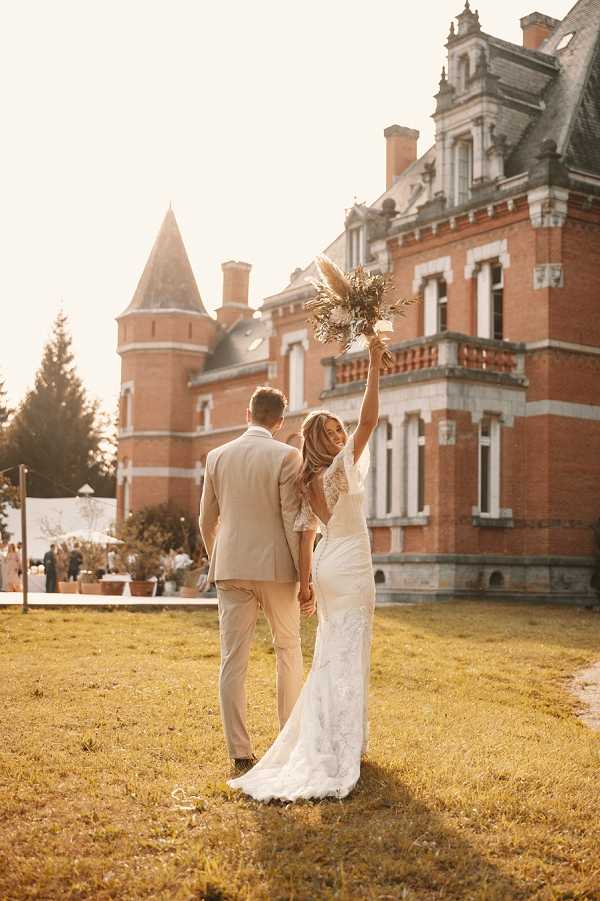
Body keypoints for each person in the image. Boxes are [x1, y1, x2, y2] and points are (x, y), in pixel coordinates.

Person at [228, 336, 386, 802]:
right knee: (349, 650)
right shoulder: (339, 467)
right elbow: (372, 418)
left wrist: (306, 584)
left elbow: (306, 534)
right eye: (335, 432)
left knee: (334, 651)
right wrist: (374, 365)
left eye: (343, 431)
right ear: (324, 441)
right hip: (351, 562)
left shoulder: (309, 478)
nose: (343, 437)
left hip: (328, 562)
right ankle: (342, 746)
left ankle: (341, 737)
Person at [199, 385, 310, 770]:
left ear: (248, 414)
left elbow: (205, 521)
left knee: (233, 659)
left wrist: (220, 559)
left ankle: (239, 750)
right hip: (277, 569)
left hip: (230, 568)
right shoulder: (287, 456)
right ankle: (288, 739)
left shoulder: (216, 456)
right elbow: (291, 520)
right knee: (288, 649)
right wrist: (303, 578)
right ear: (280, 422)